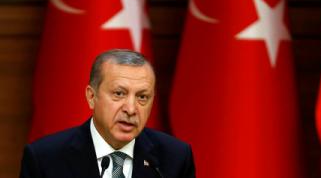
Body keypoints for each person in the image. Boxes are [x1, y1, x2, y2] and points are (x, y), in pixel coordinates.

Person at [20, 49, 195, 178]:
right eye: (119, 93)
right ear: (91, 96)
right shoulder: (45, 159)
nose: (131, 109)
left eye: (142, 97)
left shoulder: (175, 158)